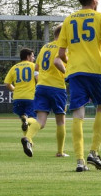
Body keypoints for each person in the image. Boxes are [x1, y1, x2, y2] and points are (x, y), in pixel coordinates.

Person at [56, 0, 101, 172]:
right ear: (93, 0)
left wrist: (72, 62)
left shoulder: (68, 20)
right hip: (95, 70)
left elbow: (60, 53)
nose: (98, 1)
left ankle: (79, 160)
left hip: (75, 72)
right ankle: (94, 151)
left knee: (78, 113)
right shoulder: (100, 17)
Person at [23, 24, 70, 158]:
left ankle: (28, 138)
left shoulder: (45, 47)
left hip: (41, 86)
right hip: (57, 88)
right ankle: (60, 152)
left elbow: (36, 67)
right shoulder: (63, 48)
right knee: (60, 120)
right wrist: (67, 75)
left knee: (41, 122)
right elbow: (57, 62)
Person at [4, 48, 37, 156]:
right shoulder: (34, 66)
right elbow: (40, 79)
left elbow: (7, 83)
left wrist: (15, 89)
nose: (34, 58)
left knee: (24, 120)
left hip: (18, 97)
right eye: (32, 56)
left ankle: (29, 142)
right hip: (30, 97)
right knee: (35, 120)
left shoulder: (14, 67)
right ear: (27, 57)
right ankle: (27, 125)